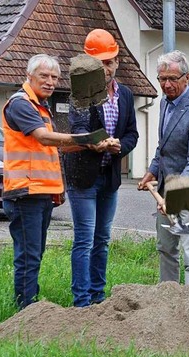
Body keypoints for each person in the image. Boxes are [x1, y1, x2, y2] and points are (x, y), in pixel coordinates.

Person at [2, 54, 86, 310]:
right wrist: (82, 138)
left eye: (54, 78)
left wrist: (92, 143)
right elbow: (45, 139)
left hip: (40, 192)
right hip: (24, 192)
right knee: (28, 256)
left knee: (34, 253)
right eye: (44, 76)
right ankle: (25, 311)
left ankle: (29, 307)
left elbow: (52, 150)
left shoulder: (40, 106)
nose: (50, 82)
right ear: (29, 76)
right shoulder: (21, 104)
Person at [64, 29, 138, 307]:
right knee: (84, 239)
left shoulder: (126, 95)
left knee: (102, 239)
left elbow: (132, 133)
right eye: (99, 64)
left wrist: (120, 145)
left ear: (117, 61)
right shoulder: (81, 91)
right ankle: (81, 301)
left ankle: (98, 296)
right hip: (83, 177)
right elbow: (79, 129)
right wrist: (95, 144)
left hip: (109, 178)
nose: (105, 69)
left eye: (109, 63)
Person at [137, 50, 189, 284]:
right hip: (166, 190)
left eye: (173, 78)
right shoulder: (166, 103)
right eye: (162, 78)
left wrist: (174, 197)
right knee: (166, 249)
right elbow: (163, 146)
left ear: (187, 78)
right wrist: (152, 170)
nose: (166, 84)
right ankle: (169, 299)